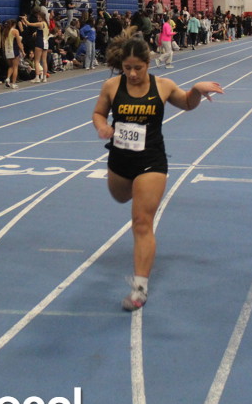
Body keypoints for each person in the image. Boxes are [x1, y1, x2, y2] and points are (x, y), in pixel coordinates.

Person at [92, 30, 223, 310]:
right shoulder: (112, 86)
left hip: (151, 160)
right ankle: (133, 188)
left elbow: (187, 103)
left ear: (148, 64)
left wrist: (196, 90)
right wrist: (102, 126)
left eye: (138, 68)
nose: (132, 74)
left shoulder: (163, 86)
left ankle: (139, 288)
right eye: (127, 68)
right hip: (119, 159)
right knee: (120, 197)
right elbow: (99, 113)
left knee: (141, 221)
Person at [2, 18, 24, 89]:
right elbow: (19, 43)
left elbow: (3, 42)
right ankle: (13, 83)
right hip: (14, 50)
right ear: (14, 24)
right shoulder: (15, 31)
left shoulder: (5, 31)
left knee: (11, 66)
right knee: (15, 67)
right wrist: (23, 51)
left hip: (7, 51)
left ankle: (8, 78)